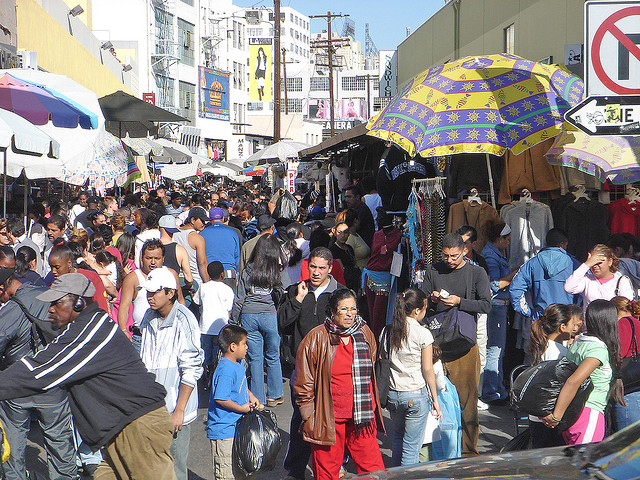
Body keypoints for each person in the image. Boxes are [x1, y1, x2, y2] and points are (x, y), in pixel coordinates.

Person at [0, 273, 177, 480]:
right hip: (118, 432)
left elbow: (40, 371)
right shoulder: (83, 328)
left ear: (78, 303)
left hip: (139, 427)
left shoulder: (93, 330)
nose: (50, 309)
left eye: (56, 303)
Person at [294, 288, 385, 480]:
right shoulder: (316, 337)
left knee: (373, 469)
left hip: (362, 414)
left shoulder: (365, 332)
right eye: (344, 309)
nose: (350, 314)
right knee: (327, 471)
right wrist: (309, 416)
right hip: (328, 416)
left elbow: (373, 365)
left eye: (353, 309)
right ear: (333, 312)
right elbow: (304, 381)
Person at [0, 269, 77, 480]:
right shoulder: (51, 296)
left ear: (3, 289)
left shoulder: (11, 310)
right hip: (53, 380)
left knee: (14, 438)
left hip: (18, 384)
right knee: (59, 438)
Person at [421, 232, 491, 456]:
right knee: (434, 399)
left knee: (467, 401)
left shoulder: (476, 272)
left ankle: (468, 451)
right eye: (445, 256)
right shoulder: (433, 270)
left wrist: (460, 302)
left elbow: (486, 305)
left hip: (464, 344)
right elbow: (421, 301)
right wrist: (431, 299)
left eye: (454, 256)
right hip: (436, 343)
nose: (449, 260)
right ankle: (437, 450)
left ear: (464, 251)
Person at [278, 247, 344, 480]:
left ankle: (334, 467)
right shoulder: (295, 291)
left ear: (330, 268)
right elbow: (283, 324)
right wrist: (297, 300)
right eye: (312, 267)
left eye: (321, 268)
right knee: (302, 418)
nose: (315, 272)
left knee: (335, 419)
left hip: (334, 368)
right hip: (303, 369)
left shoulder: (341, 295)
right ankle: (296, 470)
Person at [139, 267, 204, 480]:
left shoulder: (184, 320)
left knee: (174, 469)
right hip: (151, 408)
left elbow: (191, 368)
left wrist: (180, 410)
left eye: (155, 292)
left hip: (175, 409)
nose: (150, 297)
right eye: (147, 292)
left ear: (170, 293)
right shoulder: (148, 316)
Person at [542, 299, 625, 444]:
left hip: (572, 412)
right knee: (584, 463)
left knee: (574, 463)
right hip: (588, 412)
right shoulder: (597, 349)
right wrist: (556, 416)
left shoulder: (579, 342)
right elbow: (573, 381)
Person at [384, 287, 442, 467]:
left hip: (393, 394)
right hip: (415, 395)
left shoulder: (387, 331)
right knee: (411, 448)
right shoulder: (423, 333)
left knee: (397, 439)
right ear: (417, 310)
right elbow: (427, 369)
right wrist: (435, 399)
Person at [232, 234, 286, 406]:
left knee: (255, 358)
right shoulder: (276, 271)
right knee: (273, 355)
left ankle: (258, 398)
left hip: (249, 315)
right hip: (269, 315)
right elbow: (280, 293)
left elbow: (239, 298)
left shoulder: (247, 271)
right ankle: (275, 394)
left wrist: (234, 320)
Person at [207, 325, 261, 480]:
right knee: (226, 473)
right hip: (224, 432)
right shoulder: (225, 370)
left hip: (236, 429)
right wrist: (241, 408)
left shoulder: (237, 365)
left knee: (241, 471)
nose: (247, 347)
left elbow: (240, 387)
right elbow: (221, 398)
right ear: (232, 346)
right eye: (244, 344)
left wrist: (251, 396)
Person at [527, 303, 583, 448]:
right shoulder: (559, 352)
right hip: (550, 416)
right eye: (572, 324)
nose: (574, 328)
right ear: (562, 327)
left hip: (536, 414)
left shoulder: (541, 344)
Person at [117, 240, 185, 351]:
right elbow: (124, 306)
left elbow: (180, 301)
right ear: (141, 258)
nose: (153, 262)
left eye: (157, 258)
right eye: (148, 258)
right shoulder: (132, 278)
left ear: (163, 258)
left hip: (168, 334)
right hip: (141, 336)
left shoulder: (171, 274)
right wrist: (123, 330)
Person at [480, 221, 517, 404]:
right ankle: (492, 392)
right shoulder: (490, 256)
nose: (509, 243)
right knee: (495, 349)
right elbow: (494, 285)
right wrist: (514, 274)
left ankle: (498, 390)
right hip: (496, 306)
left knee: (496, 350)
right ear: (500, 238)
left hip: (499, 306)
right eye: (507, 239)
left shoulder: (493, 253)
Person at [510, 228, 582, 321]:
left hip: (541, 319)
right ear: (562, 244)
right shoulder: (574, 264)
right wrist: (576, 312)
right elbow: (588, 288)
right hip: (567, 320)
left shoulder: (531, 264)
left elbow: (515, 289)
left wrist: (528, 311)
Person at [193, 261, 234, 385]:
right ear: (222, 274)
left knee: (206, 352)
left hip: (205, 327)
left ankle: (206, 373)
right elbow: (229, 309)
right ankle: (215, 375)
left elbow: (197, 302)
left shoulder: (203, 287)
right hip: (221, 328)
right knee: (219, 353)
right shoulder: (227, 289)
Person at [364, 209, 403, 340]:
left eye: (380, 217)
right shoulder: (377, 235)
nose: (377, 219)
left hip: (385, 277)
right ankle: (372, 342)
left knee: (379, 315)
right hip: (370, 274)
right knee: (370, 312)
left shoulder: (398, 236)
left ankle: (379, 343)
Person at [564, 244, 634, 309]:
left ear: (610, 261)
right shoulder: (587, 279)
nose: (595, 266)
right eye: (593, 262)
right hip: (590, 321)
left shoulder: (622, 280)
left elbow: (626, 306)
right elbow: (569, 288)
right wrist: (586, 265)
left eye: (599, 262)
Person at [610, 295, 640, 430]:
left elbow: (619, 353)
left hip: (628, 391)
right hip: (636, 387)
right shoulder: (637, 323)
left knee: (626, 444)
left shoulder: (623, 324)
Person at [200, 207, 239, 289]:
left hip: (210, 274)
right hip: (229, 273)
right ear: (223, 218)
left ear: (210, 219)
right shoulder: (233, 232)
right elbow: (237, 257)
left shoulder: (202, 233)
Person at [174, 207, 211, 289]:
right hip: (195, 281)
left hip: (177, 280)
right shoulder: (198, 238)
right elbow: (202, 264)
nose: (204, 223)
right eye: (201, 220)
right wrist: (208, 284)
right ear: (192, 220)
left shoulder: (174, 233)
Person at [158, 215, 194, 290]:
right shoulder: (180, 250)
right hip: (173, 290)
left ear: (159, 228)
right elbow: (189, 279)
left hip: (154, 289)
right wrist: (186, 287)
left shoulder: (149, 248)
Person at [330, 221, 360, 292]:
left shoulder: (349, 248)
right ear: (335, 233)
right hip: (343, 285)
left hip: (354, 284)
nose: (342, 235)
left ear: (349, 233)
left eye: (345, 232)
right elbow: (341, 271)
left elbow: (355, 264)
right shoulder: (333, 249)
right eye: (339, 232)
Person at [283, 221, 310, 285]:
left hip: (287, 284)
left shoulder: (282, 247)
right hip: (305, 284)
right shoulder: (309, 245)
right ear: (301, 234)